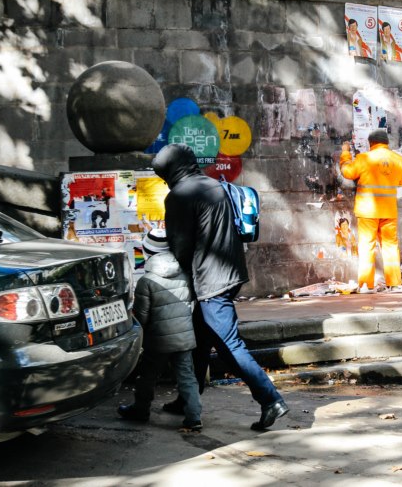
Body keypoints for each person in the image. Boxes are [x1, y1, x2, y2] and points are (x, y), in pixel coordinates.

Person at [152, 143, 288, 431]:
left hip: (210, 282)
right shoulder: (214, 185)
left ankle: (271, 399)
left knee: (229, 345)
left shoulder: (179, 195)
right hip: (230, 274)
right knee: (199, 340)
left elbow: (180, 247)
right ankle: (188, 398)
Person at [117, 228, 203, 431]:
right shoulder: (184, 274)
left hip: (158, 340)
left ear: (147, 252)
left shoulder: (146, 281)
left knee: (147, 376)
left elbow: (141, 316)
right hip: (184, 337)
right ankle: (194, 417)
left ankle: (140, 410)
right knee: (187, 377)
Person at [339, 129, 402, 292]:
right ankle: (394, 283)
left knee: (367, 247)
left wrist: (345, 153)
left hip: (367, 211)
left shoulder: (364, 158)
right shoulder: (398, 160)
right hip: (389, 211)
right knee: (390, 247)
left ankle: (366, 284)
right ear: (386, 143)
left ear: (371, 143)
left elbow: (347, 172)